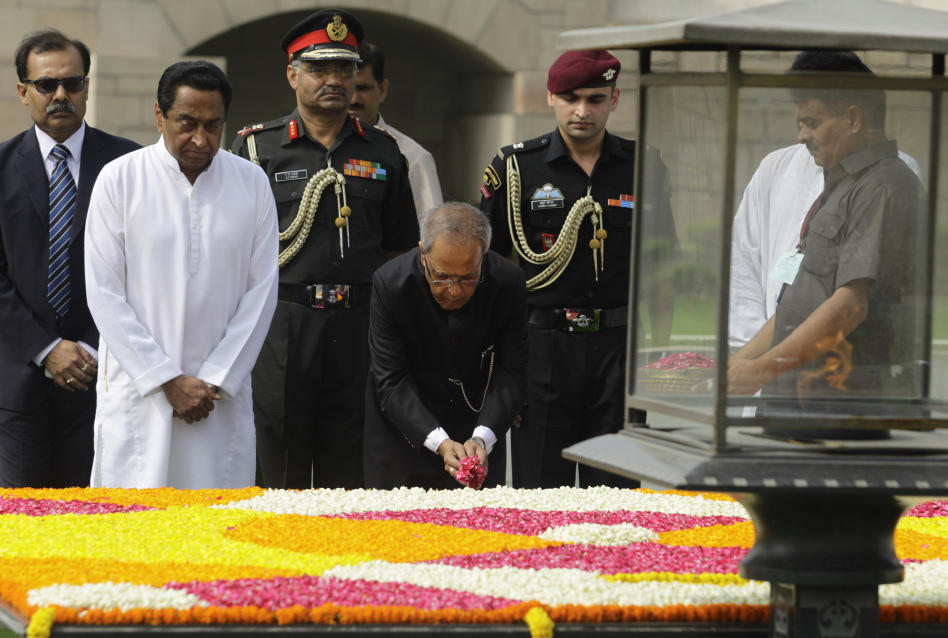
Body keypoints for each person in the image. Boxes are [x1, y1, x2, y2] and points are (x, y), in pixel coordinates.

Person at [231, 9, 419, 489]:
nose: (334, 80)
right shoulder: (257, 150)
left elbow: (400, 250)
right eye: (319, 69)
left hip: (359, 322)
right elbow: (231, 249)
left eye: (345, 68)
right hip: (284, 319)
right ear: (292, 74)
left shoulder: (383, 152)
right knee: (279, 453)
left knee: (351, 453)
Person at [480, 50, 677, 488]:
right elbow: (488, 271)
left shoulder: (644, 165)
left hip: (619, 351)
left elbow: (661, 265)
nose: (582, 111)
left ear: (615, 99)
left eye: (595, 98)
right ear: (551, 98)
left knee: (617, 492)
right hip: (542, 348)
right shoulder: (515, 167)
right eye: (570, 98)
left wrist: (656, 358)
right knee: (540, 489)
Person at [84, 61, 279, 488]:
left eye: (213, 125)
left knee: (217, 532)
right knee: (132, 531)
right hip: (141, 394)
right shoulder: (120, 179)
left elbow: (261, 293)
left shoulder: (251, 183)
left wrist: (214, 380)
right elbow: (103, 292)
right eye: (187, 123)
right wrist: (166, 380)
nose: (200, 138)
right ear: (159, 115)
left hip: (217, 400)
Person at [728, 51, 924, 417]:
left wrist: (763, 368)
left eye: (812, 123)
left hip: (838, 409)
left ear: (853, 118)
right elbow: (798, 302)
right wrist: (737, 365)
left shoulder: (884, 185)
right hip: (797, 401)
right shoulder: (842, 184)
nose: (802, 136)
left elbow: (850, 305)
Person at [0, 30, 138, 488]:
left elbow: (142, 270)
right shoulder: (0, 168)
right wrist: (47, 349)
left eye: (73, 83)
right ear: (23, 91)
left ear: (87, 87)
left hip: (107, 376)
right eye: (46, 85)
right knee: (23, 529)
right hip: (18, 384)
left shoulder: (129, 166)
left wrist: (91, 346)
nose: (61, 95)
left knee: (98, 526)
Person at [365, 202, 526, 489]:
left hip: (477, 434)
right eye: (441, 277)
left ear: (483, 257)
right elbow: (390, 379)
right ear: (422, 254)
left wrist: (482, 437)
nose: (454, 291)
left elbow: (511, 373)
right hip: (404, 436)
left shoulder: (508, 282)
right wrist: (439, 442)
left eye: (467, 278)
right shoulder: (390, 283)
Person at [349, 40, 443, 219]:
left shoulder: (412, 156)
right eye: (349, 88)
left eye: (363, 88)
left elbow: (433, 234)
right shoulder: (318, 150)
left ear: (382, 90)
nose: (354, 99)